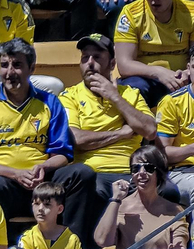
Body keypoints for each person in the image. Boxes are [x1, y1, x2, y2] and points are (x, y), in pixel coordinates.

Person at [0, 39, 96, 243]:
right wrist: (16, 174)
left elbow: (63, 154)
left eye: (17, 65)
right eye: (4, 65)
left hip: (44, 183)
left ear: (32, 68)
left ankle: (72, 247)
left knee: (82, 174)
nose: (9, 72)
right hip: (5, 182)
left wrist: (43, 167)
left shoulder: (49, 102)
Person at [62, 34, 158, 208]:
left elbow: (150, 130)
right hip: (93, 173)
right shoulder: (70, 96)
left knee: (168, 192)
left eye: (97, 57)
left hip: (133, 172)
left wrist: (114, 97)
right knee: (93, 192)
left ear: (112, 64)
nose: (90, 63)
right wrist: (121, 133)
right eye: (85, 57)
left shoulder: (130, 94)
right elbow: (77, 139)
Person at [114, 0, 192, 108]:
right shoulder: (131, 13)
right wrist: (158, 72)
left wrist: (188, 73)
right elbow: (124, 65)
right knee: (132, 88)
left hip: (183, 79)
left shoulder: (190, 13)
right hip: (146, 79)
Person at [96, 144, 191, 249]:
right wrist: (115, 199)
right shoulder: (120, 207)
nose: (141, 173)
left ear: (159, 172)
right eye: (135, 168)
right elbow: (102, 241)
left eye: (148, 168)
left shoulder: (174, 210)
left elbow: (180, 244)